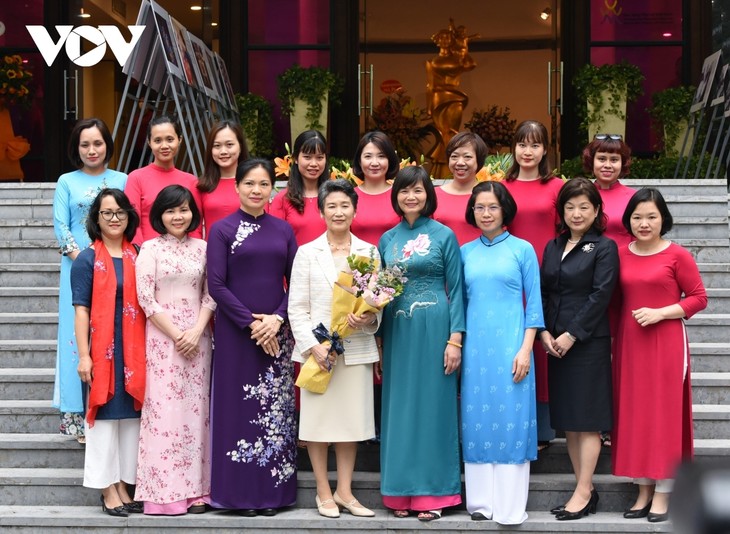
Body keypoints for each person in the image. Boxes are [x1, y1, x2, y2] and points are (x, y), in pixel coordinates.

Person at [206, 158, 299, 516]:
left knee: (274, 410)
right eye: (249, 184)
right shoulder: (222, 229)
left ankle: (272, 495)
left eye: (263, 184)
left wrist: (276, 319)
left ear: (271, 189)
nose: (257, 190)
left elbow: (296, 282)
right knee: (237, 409)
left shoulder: (283, 230)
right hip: (235, 333)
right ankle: (238, 494)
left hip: (276, 332)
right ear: (237, 187)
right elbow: (216, 284)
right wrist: (251, 324)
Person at [612, 188, 707, 523]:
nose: (644, 223)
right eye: (637, 217)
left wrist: (662, 312)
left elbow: (698, 297)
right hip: (630, 343)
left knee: (664, 416)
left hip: (665, 342)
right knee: (636, 414)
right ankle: (643, 490)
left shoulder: (677, 255)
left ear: (663, 218)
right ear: (628, 221)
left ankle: (665, 492)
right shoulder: (620, 253)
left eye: (651, 216)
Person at [288, 179, 381, 519]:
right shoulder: (306, 252)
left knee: (349, 422)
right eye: (332, 206)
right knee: (317, 423)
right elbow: (296, 307)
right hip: (320, 352)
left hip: (355, 349)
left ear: (355, 210)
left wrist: (367, 319)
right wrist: (313, 347)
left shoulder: (369, 252)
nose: (339, 212)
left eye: (345, 205)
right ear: (322, 210)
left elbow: (377, 305)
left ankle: (345, 491)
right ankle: (322, 491)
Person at [378, 165, 465, 522]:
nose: (410, 196)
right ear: (395, 196)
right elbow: (379, 293)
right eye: (403, 191)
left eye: (417, 190)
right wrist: (380, 343)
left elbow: (458, 290)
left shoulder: (445, 236)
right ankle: (400, 490)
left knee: (434, 406)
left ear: (429, 195)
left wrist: (455, 339)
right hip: (397, 329)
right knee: (399, 408)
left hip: (436, 325)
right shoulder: (387, 240)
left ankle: (435, 492)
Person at [460, 181, 543, 525]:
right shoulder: (464, 251)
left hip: (512, 347)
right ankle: (480, 503)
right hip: (475, 351)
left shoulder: (523, 250)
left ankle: (509, 507)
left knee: (511, 423)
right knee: (477, 422)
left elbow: (535, 306)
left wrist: (526, 349)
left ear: (505, 209)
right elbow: (458, 305)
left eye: (492, 207)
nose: (486, 213)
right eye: (480, 207)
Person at [540, 177, 619, 521]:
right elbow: (544, 292)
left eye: (584, 207)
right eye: (569, 207)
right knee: (570, 422)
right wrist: (543, 331)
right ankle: (582, 486)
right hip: (554, 342)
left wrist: (572, 334)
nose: (576, 213)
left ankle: (584, 490)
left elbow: (601, 295)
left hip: (586, 342)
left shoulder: (603, 247)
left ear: (597, 210)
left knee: (587, 422)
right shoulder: (552, 246)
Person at [134, 185, 216, 515]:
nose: (177, 216)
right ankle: (164, 493)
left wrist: (196, 332)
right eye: (170, 210)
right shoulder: (150, 249)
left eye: (183, 210)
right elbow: (145, 298)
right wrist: (177, 334)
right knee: (163, 414)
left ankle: (199, 491)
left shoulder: (205, 248)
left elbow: (212, 294)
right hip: (162, 341)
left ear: (192, 213)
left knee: (197, 415)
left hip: (199, 341)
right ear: (159, 215)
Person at [71, 188, 145, 517]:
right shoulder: (87, 258)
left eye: (120, 212)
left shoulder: (139, 254)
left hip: (133, 348)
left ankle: (126, 482)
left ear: (129, 217)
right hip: (101, 350)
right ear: (96, 219)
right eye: (107, 213)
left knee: (130, 418)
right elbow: (82, 311)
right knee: (103, 419)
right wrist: (85, 356)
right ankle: (107, 486)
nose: (114, 218)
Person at [53, 118, 127, 443]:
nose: (92, 150)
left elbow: (129, 221)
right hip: (78, 272)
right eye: (85, 144)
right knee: (76, 343)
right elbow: (61, 228)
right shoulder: (66, 182)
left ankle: (115, 407)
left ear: (107, 145)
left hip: (118, 271)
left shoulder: (124, 180)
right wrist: (87, 263)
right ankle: (79, 419)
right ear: (76, 148)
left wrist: (110, 264)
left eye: (97, 143)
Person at [503, 120, 563, 450]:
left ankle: (544, 427)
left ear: (545, 150)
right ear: (514, 148)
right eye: (523, 144)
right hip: (511, 276)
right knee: (518, 343)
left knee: (543, 347)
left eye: (535, 145)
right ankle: (515, 417)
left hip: (548, 275)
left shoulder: (556, 186)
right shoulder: (501, 186)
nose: (528, 151)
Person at [124, 115, 202, 244]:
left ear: (180, 139)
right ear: (149, 142)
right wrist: (140, 253)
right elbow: (132, 223)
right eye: (158, 140)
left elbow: (195, 226)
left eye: (170, 139)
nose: (164, 146)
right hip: (147, 256)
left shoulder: (192, 181)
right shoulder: (136, 178)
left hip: (184, 257)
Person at [269, 129, 328, 245]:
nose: (314, 164)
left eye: (319, 157)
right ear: (295, 158)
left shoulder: (335, 197)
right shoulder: (282, 199)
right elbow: (274, 241)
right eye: (307, 157)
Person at [583, 133, 636, 248]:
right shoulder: (581, 195)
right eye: (601, 159)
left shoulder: (634, 198)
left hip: (623, 262)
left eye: (614, 160)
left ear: (622, 163)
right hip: (587, 263)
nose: (607, 165)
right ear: (591, 161)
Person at [197, 120, 249, 236]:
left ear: (240, 146)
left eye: (229, 145)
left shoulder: (253, 184)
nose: (223, 151)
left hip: (248, 252)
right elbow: (195, 229)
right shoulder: (201, 186)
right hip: (211, 252)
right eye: (217, 146)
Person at [349, 131, 401, 246]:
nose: (375, 163)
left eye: (381, 156)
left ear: (389, 160)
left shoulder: (400, 196)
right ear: (359, 160)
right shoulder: (348, 197)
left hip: (393, 263)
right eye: (368, 156)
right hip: (356, 263)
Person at [434, 131, 486, 244]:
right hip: (443, 261)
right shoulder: (433, 195)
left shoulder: (489, 195)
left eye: (467, 157)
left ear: (479, 161)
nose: (460, 162)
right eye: (454, 156)